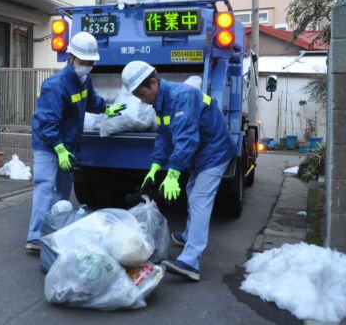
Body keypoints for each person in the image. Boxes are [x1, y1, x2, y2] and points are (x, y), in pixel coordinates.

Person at [121, 60, 236, 281]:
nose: (141, 100)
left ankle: (190, 261)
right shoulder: (161, 102)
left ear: (153, 83)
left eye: (141, 94)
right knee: (193, 193)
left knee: (199, 199)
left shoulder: (181, 96)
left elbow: (186, 140)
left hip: (214, 151)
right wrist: (155, 167)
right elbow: (165, 137)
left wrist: (172, 173)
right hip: (201, 152)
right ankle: (190, 236)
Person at [25, 31, 126, 253]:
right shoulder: (56, 85)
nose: (87, 66)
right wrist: (59, 149)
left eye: (90, 62)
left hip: (68, 144)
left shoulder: (84, 80)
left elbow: (90, 102)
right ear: (71, 58)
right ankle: (34, 237)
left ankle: (53, 229)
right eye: (83, 61)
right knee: (45, 186)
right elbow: (47, 123)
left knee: (62, 189)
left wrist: (106, 109)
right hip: (48, 144)